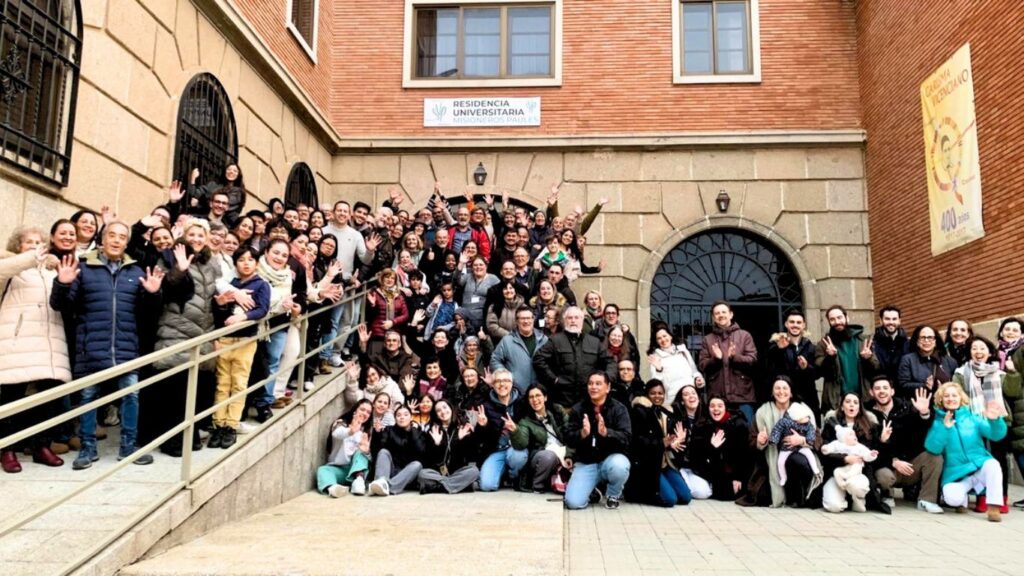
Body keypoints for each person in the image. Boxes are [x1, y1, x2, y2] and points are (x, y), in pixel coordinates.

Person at [50, 221, 165, 469]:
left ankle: (128, 447)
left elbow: (148, 315)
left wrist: (154, 294)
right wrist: (62, 283)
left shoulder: (136, 272)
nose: (116, 240)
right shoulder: (83, 268)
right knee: (89, 398)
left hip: (126, 349)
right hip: (90, 347)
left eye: (121, 237)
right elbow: (62, 306)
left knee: (131, 396)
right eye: (111, 235)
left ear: (127, 242)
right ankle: (88, 449)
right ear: (102, 240)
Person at [0, 227, 70, 472]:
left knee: (47, 398)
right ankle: (6, 449)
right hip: (17, 344)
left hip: (49, 343)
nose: (35, 245)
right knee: (11, 397)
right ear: (18, 246)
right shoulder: (11, 269)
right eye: (29, 242)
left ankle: (41, 445)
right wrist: (31, 258)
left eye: (39, 241)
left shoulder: (51, 272)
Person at [151, 221, 221, 457]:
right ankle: (171, 441)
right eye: (192, 234)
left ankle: (188, 436)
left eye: (201, 235)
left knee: (195, 391)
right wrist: (180, 269)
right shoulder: (170, 257)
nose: (196, 239)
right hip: (177, 331)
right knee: (175, 390)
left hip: (203, 334)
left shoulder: (212, 262)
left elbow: (217, 295)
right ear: (183, 236)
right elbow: (167, 288)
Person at [210, 246, 270, 450]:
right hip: (225, 339)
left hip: (246, 341)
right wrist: (222, 303)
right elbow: (218, 311)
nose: (246, 263)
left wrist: (242, 317)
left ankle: (231, 425)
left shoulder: (261, 285)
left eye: (250, 259)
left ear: (257, 263)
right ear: (235, 264)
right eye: (241, 260)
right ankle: (218, 424)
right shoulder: (230, 285)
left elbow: (262, 309)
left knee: (239, 383)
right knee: (222, 384)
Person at [952, 336, 1017, 514]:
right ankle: (983, 497)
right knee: (979, 461)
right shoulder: (960, 373)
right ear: (969, 352)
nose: (978, 352)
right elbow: (959, 397)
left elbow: (1014, 391)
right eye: (974, 348)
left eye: (982, 348)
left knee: (999, 459)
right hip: (973, 424)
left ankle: (1001, 498)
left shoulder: (999, 372)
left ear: (989, 352)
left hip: (998, 421)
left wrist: (1012, 372)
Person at [925, 382, 1006, 522]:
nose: (951, 399)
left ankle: (994, 507)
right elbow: (933, 448)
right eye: (946, 396)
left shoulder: (973, 418)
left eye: (954, 395)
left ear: (961, 398)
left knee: (993, 465)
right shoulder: (938, 422)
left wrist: (995, 421)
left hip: (979, 466)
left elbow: (996, 435)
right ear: (941, 400)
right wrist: (944, 428)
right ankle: (963, 499)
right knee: (952, 498)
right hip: (957, 474)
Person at [865, 377, 943, 513]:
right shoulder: (866, 414)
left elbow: (922, 428)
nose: (881, 392)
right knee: (883, 475)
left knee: (934, 457)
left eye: (885, 388)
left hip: (909, 465)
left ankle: (926, 500)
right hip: (886, 467)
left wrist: (924, 413)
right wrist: (892, 460)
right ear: (871, 392)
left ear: (892, 391)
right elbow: (868, 449)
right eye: (877, 388)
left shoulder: (906, 407)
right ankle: (886, 494)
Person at [563, 372, 632, 510]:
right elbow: (568, 437)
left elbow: (627, 437)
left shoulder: (619, 409)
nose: (593, 387)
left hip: (610, 461)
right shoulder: (578, 409)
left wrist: (607, 433)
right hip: (587, 461)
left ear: (607, 387)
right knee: (573, 503)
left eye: (598, 384)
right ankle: (593, 491)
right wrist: (582, 433)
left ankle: (613, 495)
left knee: (620, 465)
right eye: (590, 383)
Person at [754, 377, 823, 508]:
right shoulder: (763, 411)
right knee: (762, 496)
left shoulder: (803, 410)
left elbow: (816, 435)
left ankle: (801, 497)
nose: (781, 392)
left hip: (799, 453)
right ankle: (788, 497)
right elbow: (752, 439)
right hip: (771, 458)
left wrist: (802, 440)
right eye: (777, 388)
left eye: (785, 388)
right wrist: (760, 440)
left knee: (798, 460)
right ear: (772, 392)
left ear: (791, 392)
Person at [820, 393, 889, 514]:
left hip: (858, 473)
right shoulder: (831, 426)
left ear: (859, 407)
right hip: (835, 472)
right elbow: (824, 452)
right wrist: (845, 459)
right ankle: (843, 499)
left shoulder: (869, 427)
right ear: (842, 406)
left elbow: (875, 457)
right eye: (848, 402)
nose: (851, 405)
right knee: (833, 506)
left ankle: (856, 500)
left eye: (855, 402)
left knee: (857, 486)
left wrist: (882, 441)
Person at [625, 380, 691, 507]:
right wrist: (661, 443)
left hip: (666, 462)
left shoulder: (667, 411)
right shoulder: (640, 411)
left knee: (685, 497)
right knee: (670, 500)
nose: (657, 396)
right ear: (647, 394)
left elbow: (679, 430)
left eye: (660, 393)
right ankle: (638, 494)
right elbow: (637, 441)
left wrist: (679, 439)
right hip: (649, 464)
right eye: (653, 393)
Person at [533, 307, 605, 414]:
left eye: (576, 318)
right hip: (563, 401)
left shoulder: (594, 342)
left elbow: (609, 361)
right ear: (564, 320)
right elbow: (538, 359)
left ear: (582, 320)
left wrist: (603, 381)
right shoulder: (555, 340)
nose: (573, 320)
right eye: (570, 318)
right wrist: (553, 379)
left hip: (587, 400)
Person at [698, 301, 758, 423]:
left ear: (730, 314)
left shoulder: (744, 335)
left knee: (746, 435)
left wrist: (735, 357)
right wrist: (716, 359)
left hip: (742, 397)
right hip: (718, 399)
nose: (721, 315)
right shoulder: (708, 339)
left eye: (724, 312)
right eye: (717, 313)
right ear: (713, 318)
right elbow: (702, 365)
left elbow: (753, 360)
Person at [510, 384, 571, 493]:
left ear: (545, 397)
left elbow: (570, 433)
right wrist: (515, 431)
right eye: (531, 397)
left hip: (563, 449)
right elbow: (521, 444)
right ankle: (538, 485)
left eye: (538, 395)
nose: (535, 400)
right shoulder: (526, 420)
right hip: (541, 455)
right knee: (548, 456)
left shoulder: (557, 410)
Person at [815, 305, 875, 414]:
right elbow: (818, 372)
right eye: (832, 319)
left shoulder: (863, 341)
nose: (837, 322)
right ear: (828, 322)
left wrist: (868, 358)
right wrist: (830, 358)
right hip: (836, 402)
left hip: (863, 401)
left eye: (839, 317)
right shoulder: (824, 344)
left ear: (847, 318)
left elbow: (876, 368)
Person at [417, 399, 485, 494]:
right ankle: (461, 486)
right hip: (438, 473)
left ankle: (437, 487)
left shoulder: (463, 428)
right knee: (422, 474)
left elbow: (470, 455)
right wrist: (437, 444)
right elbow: (430, 460)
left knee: (474, 471)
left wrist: (460, 440)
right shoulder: (433, 431)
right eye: (438, 410)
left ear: (451, 409)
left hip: (458, 472)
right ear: (436, 414)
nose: (443, 412)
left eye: (445, 407)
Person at [689, 396, 750, 501]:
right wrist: (712, 447)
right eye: (712, 406)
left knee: (740, 493)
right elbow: (696, 457)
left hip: (737, 470)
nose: (716, 409)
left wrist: (738, 478)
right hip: (714, 470)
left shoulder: (738, 424)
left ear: (725, 408)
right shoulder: (702, 425)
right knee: (725, 495)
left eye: (720, 406)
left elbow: (744, 454)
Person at [478, 369, 528, 491]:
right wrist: (483, 426)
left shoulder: (522, 402)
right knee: (486, 485)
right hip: (497, 450)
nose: (502, 384)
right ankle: (501, 473)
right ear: (493, 385)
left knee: (518, 457)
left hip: (516, 448)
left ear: (512, 383)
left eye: (506, 380)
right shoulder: (486, 405)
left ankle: (512, 476)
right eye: (498, 381)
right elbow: (481, 439)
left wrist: (515, 429)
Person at [764, 310, 818, 416]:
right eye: (792, 322)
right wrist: (779, 350)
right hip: (783, 399)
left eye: (798, 322)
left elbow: (817, 374)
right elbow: (769, 371)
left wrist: (806, 367)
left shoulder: (812, 348)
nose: (795, 325)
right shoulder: (775, 347)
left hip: (807, 399)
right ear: (786, 324)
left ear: (803, 325)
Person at [317, 400, 374, 497]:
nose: (365, 413)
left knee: (361, 452)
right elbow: (337, 433)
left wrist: (367, 452)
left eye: (368, 412)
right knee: (323, 470)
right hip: (339, 469)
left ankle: (358, 482)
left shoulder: (366, 432)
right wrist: (351, 431)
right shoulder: (340, 423)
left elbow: (368, 460)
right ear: (355, 410)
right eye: (362, 409)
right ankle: (333, 488)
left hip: (355, 471)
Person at [367, 404, 425, 496]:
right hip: (390, 470)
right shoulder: (389, 430)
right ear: (395, 418)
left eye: (406, 415)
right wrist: (377, 434)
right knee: (383, 452)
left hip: (406, 474)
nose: (402, 417)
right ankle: (381, 483)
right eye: (399, 415)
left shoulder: (418, 432)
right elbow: (378, 451)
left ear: (411, 417)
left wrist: (413, 430)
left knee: (418, 464)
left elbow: (421, 452)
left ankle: (386, 486)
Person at [490, 306, 548, 395]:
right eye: (522, 318)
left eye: (528, 318)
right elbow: (495, 360)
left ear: (533, 320)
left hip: (539, 392)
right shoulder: (507, 340)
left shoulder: (544, 340)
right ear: (517, 321)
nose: (526, 321)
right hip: (516, 392)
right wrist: (506, 376)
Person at [647, 326, 703, 407]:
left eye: (664, 336)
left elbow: (694, 371)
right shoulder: (655, 357)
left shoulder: (682, 351)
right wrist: (659, 370)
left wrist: (698, 379)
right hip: (673, 399)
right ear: (656, 342)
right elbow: (656, 385)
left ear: (670, 336)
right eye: (659, 338)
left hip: (690, 397)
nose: (663, 339)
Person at [768, 402, 819, 488]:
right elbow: (777, 429)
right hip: (786, 447)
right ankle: (783, 477)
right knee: (780, 462)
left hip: (801, 446)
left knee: (810, 455)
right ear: (796, 418)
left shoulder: (807, 423)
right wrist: (774, 439)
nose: (807, 418)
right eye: (804, 417)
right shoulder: (784, 422)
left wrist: (808, 440)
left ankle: (815, 470)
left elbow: (811, 431)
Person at [897, 325, 957, 397]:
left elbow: (957, 385)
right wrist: (924, 386)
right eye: (922, 337)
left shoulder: (949, 361)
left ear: (935, 341)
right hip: (919, 403)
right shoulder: (908, 360)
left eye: (930, 337)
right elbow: (903, 384)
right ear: (917, 341)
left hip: (945, 403)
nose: (926, 341)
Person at [868, 305, 909, 383]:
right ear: (880, 320)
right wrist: (866, 359)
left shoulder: (908, 343)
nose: (891, 322)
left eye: (894, 319)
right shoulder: (871, 342)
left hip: (902, 389)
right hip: (880, 389)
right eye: (887, 319)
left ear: (899, 320)